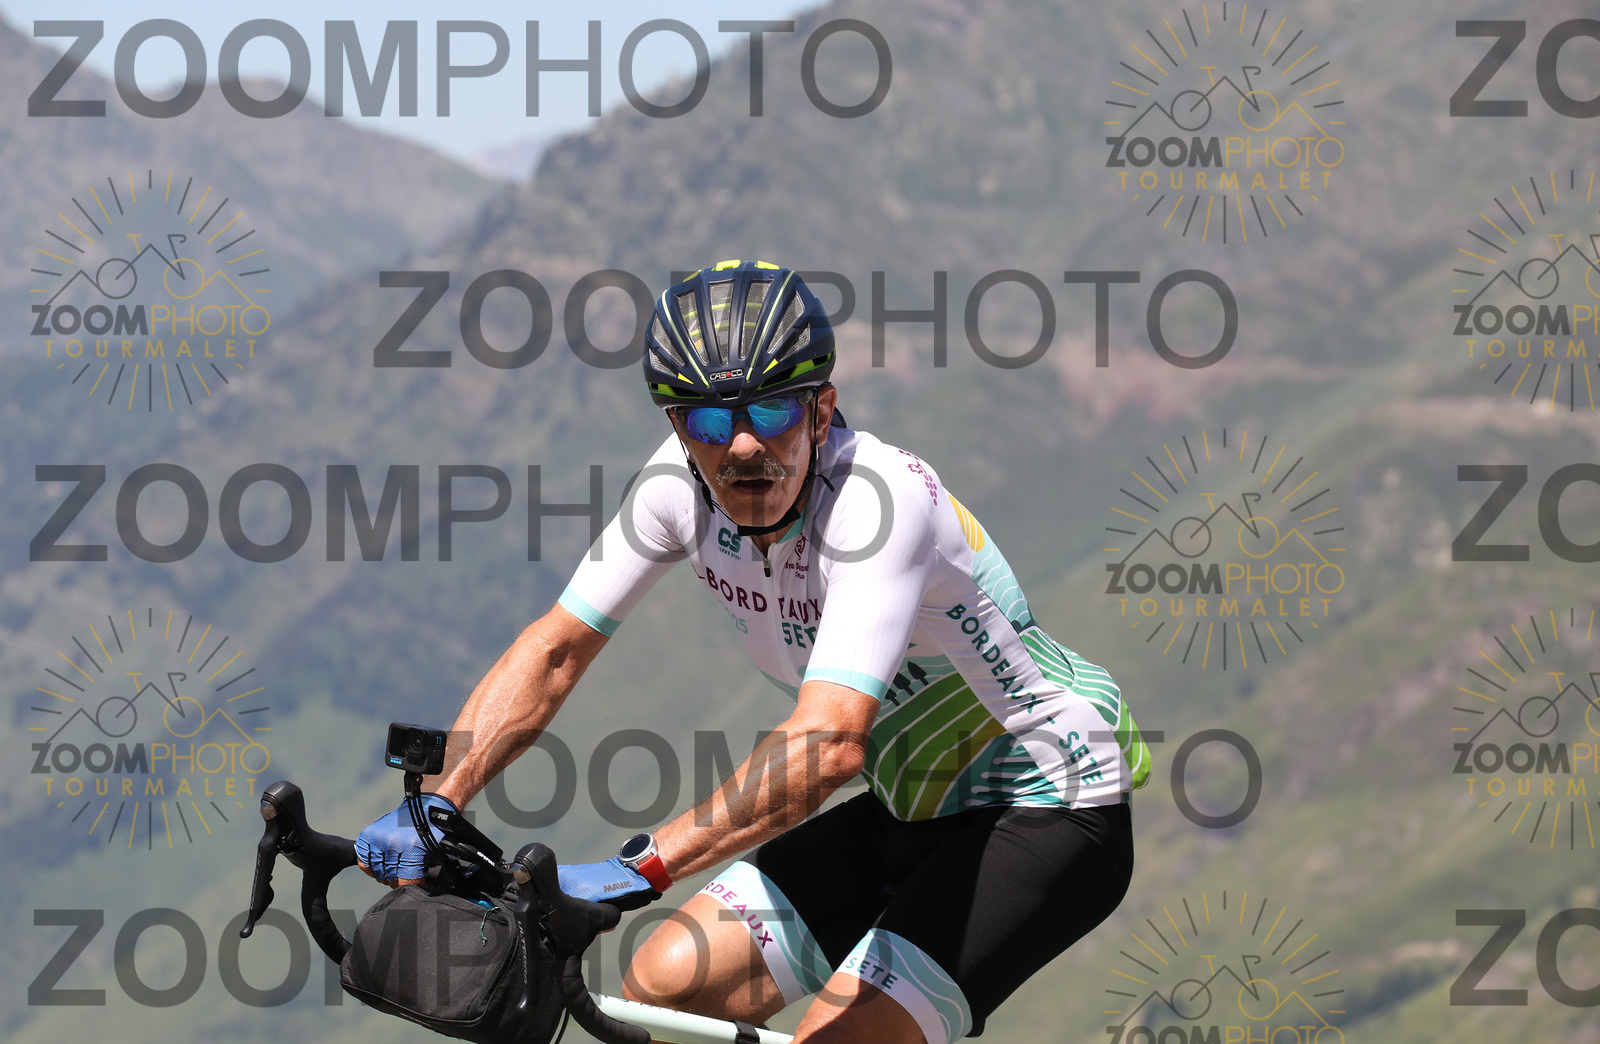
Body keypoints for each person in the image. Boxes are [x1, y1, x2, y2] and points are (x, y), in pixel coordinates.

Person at [357, 259, 1149, 1044]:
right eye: (709, 421)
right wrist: (442, 800)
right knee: (667, 989)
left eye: (770, 411)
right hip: (908, 807)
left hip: (1048, 801)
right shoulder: (674, 489)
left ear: (821, 407)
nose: (740, 446)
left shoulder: (881, 503)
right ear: (678, 428)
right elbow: (557, 648)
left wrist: (641, 866)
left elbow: (828, 744)